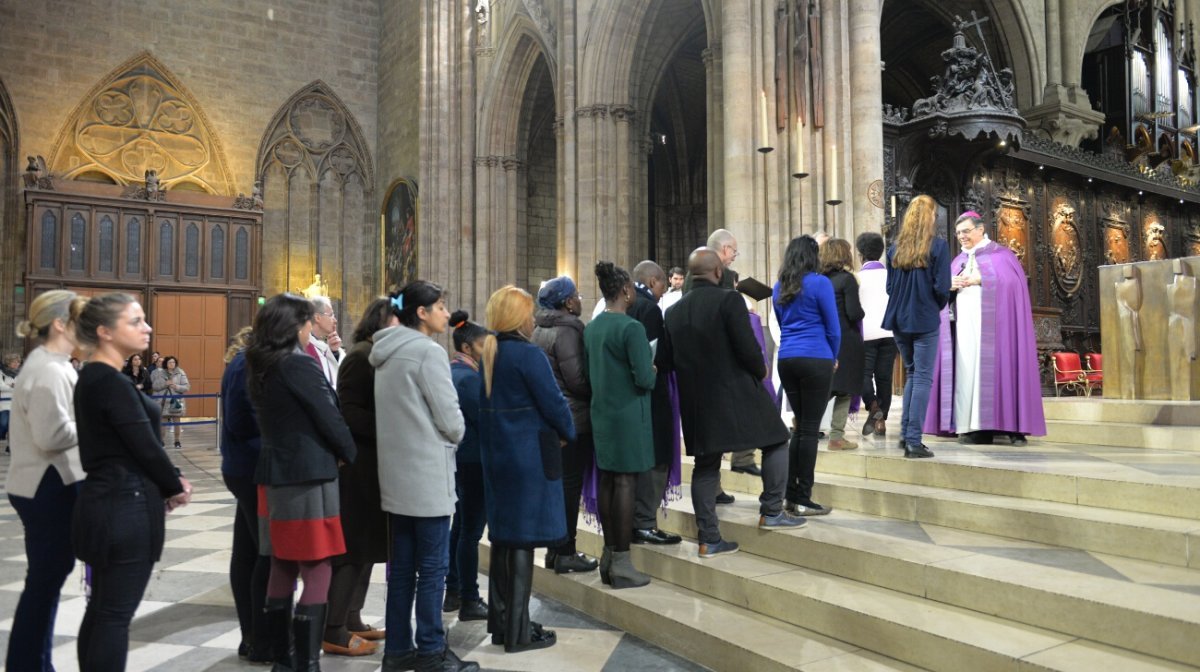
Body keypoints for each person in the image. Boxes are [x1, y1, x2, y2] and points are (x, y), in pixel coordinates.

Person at [70, 293, 192, 671]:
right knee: (114, 616)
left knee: (104, 610)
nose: (147, 327)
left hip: (111, 499)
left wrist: (167, 482)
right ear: (105, 332)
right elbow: (144, 444)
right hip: (124, 505)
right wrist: (174, 484)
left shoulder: (97, 376)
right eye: (136, 321)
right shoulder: (109, 382)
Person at [661, 248, 804, 559]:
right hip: (735, 393)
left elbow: (665, 361)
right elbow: (747, 347)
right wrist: (760, 369)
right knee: (778, 439)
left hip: (697, 402)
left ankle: (709, 539)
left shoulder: (673, 312)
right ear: (717, 272)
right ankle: (771, 510)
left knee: (706, 465)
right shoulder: (728, 300)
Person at [371, 282, 478, 672]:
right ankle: (431, 651)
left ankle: (398, 652)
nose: (446, 313)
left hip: (397, 476)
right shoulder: (427, 353)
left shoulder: (385, 352)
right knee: (432, 569)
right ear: (421, 312)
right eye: (440, 306)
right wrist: (458, 431)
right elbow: (452, 422)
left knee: (401, 570)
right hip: (428, 475)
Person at [247, 293, 357, 672]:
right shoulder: (298, 365)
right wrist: (349, 452)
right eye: (309, 322)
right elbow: (328, 415)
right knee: (318, 564)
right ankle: (306, 663)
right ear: (296, 325)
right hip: (307, 474)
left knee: (282, 563)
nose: (312, 328)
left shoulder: (261, 361)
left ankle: (285, 659)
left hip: (275, 475)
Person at [479, 285, 575, 653]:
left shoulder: (490, 351)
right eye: (529, 312)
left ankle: (503, 624)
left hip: (498, 457)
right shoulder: (527, 355)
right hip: (527, 459)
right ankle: (519, 633)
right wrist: (567, 432)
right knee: (521, 541)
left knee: (504, 538)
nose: (534, 318)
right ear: (519, 318)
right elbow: (554, 403)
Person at [4, 291, 83, 672]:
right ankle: (29, 664)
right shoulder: (49, 369)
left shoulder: (54, 363)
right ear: (59, 324)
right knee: (44, 582)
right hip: (44, 486)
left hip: (44, 483)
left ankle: (32, 663)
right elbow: (51, 436)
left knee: (46, 580)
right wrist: (93, 421)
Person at [925, 211, 1047, 445]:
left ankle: (1012, 427)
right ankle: (974, 428)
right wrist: (948, 285)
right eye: (958, 233)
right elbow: (941, 291)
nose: (962, 236)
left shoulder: (1001, 255)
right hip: (963, 331)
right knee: (967, 373)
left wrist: (981, 279)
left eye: (966, 231)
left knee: (1001, 370)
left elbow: (1012, 284)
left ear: (980, 230)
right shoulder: (957, 261)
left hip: (996, 330)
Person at [325, 298, 394, 657]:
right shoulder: (359, 356)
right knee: (353, 549)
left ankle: (352, 617)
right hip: (359, 465)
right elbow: (349, 412)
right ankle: (334, 626)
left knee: (367, 547)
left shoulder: (377, 354)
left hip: (375, 464)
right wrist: (391, 427)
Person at [586, 261, 656, 588]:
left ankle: (609, 555)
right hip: (628, 415)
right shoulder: (631, 329)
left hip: (602, 413)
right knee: (626, 483)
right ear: (627, 290)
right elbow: (644, 378)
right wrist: (653, 369)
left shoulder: (593, 327)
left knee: (608, 481)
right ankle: (624, 563)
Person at [530, 276, 599, 574]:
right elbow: (577, 380)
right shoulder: (568, 331)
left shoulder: (538, 330)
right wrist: (600, 387)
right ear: (568, 302)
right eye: (578, 295)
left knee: (559, 488)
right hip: (573, 420)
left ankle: (555, 552)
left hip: (552, 418)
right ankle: (566, 551)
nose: (581, 300)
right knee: (569, 489)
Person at [882, 194, 952, 459]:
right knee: (922, 376)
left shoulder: (893, 248)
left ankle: (904, 435)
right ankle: (913, 440)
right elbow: (942, 287)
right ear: (930, 217)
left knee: (913, 374)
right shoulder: (938, 247)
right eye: (934, 213)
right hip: (923, 318)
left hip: (899, 319)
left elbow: (889, 288)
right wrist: (933, 304)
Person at [774, 236, 840, 516]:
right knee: (810, 428)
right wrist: (833, 355)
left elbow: (780, 321)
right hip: (816, 357)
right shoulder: (820, 282)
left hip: (787, 358)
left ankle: (790, 494)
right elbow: (833, 326)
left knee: (799, 427)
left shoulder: (780, 286)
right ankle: (803, 498)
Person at [218, 326, 272, 663]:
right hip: (252, 467)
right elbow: (242, 420)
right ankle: (259, 637)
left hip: (247, 466)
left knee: (248, 550)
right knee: (263, 553)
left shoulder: (243, 362)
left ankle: (251, 635)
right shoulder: (245, 364)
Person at [627, 261, 682, 547]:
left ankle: (634, 521)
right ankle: (645, 523)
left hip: (628, 401)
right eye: (661, 285)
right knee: (655, 458)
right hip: (651, 396)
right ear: (652, 282)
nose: (662, 292)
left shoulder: (614, 308)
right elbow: (656, 357)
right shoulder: (648, 309)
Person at [444, 310, 491, 620]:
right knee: (470, 532)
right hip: (473, 461)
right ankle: (470, 598)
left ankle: (455, 591)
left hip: (461, 460)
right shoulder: (468, 379)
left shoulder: (453, 372)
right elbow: (484, 419)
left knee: (460, 527)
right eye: (482, 345)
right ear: (467, 348)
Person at [821, 238, 865, 451]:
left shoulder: (818, 279)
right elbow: (854, 312)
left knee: (823, 388)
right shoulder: (846, 280)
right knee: (844, 389)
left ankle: (804, 427)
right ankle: (836, 437)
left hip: (823, 339)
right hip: (845, 339)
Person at [856, 231, 895, 437]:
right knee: (884, 377)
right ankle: (881, 422)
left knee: (863, 374)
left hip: (865, 334)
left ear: (860, 253)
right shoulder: (892, 275)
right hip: (890, 332)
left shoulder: (857, 278)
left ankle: (873, 407)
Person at [150, 355, 190, 448]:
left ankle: (177, 441)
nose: (172, 364)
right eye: (170, 362)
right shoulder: (160, 373)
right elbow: (155, 387)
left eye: (173, 362)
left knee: (177, 421)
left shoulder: (180, 372)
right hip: (163, 401)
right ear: (166, 364)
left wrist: (176, 386)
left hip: (175, 399)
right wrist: (165, 384)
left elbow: (187, 387)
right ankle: (162, 441)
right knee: (163, 421)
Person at [308, 295, 343, 386]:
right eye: (331, 315)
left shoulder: (328, 345)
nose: (335, 320)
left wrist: (334, 353)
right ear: (317, 318)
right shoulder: (306, 347)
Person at [1, 353, 20, 450]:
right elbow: (1, 386)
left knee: (13, 427)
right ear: (8, 363)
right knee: (4, 423)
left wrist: (11, 386)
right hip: (4, 403)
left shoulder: (21, 373)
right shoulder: (1, 373)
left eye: (18, 362)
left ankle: (10, 446)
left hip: (17, 403)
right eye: (14, 362)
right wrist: (14, 387)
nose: (17, 364)